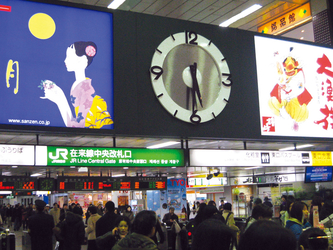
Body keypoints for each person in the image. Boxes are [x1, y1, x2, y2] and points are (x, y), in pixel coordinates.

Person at [41, 41, 113, 128]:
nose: (65, 60)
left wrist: (59, 99)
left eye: (69, 57)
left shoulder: (87, 91)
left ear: (82, 60)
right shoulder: (79, 84)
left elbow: (76, 126)